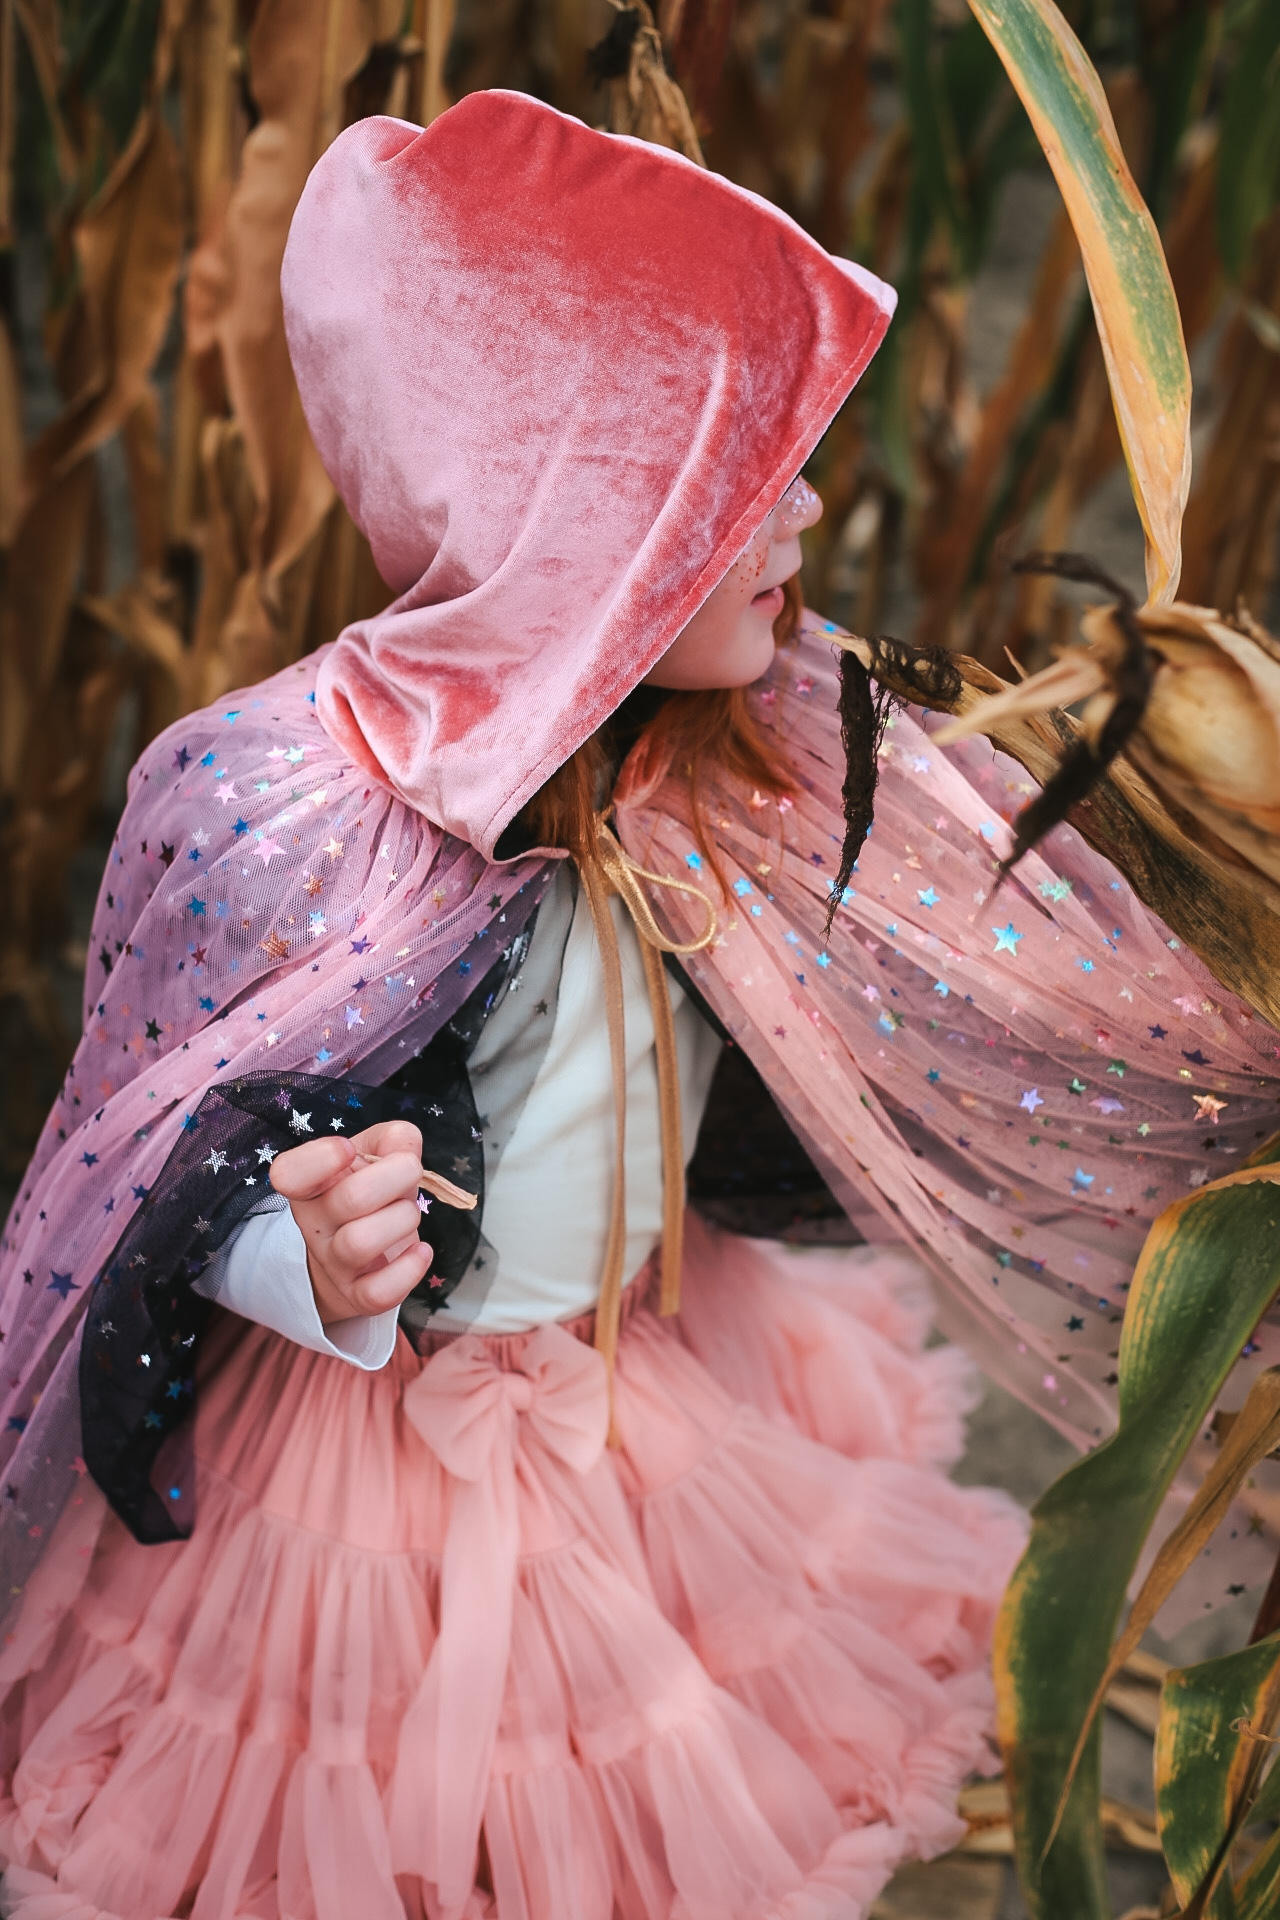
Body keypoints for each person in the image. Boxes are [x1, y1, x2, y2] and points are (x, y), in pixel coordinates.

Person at [0, 89, 1273, 1920]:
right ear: (566, 517)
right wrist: (283, 1238)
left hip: (647, 1366)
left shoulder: (766, 749)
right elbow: (143, 1140)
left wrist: (1216, 1041)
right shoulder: (280, 806)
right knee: (412, 1809)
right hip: (372, 1473)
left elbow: (1004, 970)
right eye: (743, 475)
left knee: (665, 1782)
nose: (815, 508)